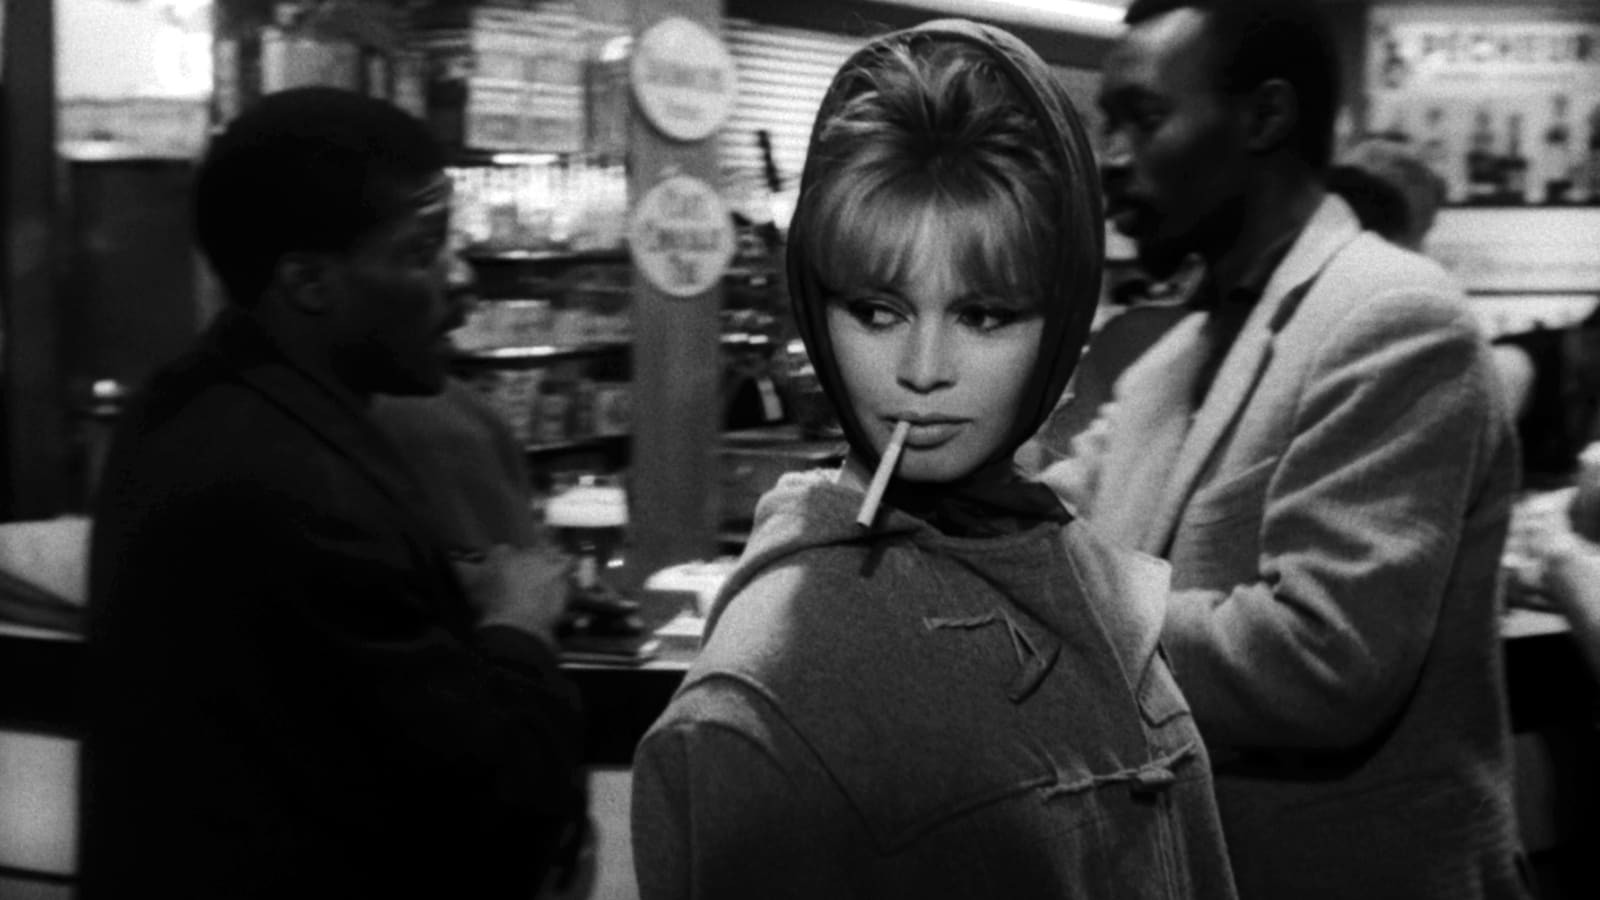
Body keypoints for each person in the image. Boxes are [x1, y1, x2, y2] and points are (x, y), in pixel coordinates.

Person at [631, 20, 1238, 900]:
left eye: (984, 315)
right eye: (876, 311)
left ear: (1064, 316)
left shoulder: (1071, 567)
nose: (921, 370)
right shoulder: (762, 701)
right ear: (818, 306)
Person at [1046, 1, 1531, 897]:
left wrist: (1054, 610)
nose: (1110, 157)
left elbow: (1320, 661)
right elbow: (1051, 521)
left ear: (1265, 116)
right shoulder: (1169, 360)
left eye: (1142, 119)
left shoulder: (1397, 315)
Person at [81, 88, 587, 899]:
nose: (462, 279)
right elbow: (492, 802)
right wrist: (518, 620)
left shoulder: (189, 407)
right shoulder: (296, 489)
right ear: (309, 281)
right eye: (423, 250)